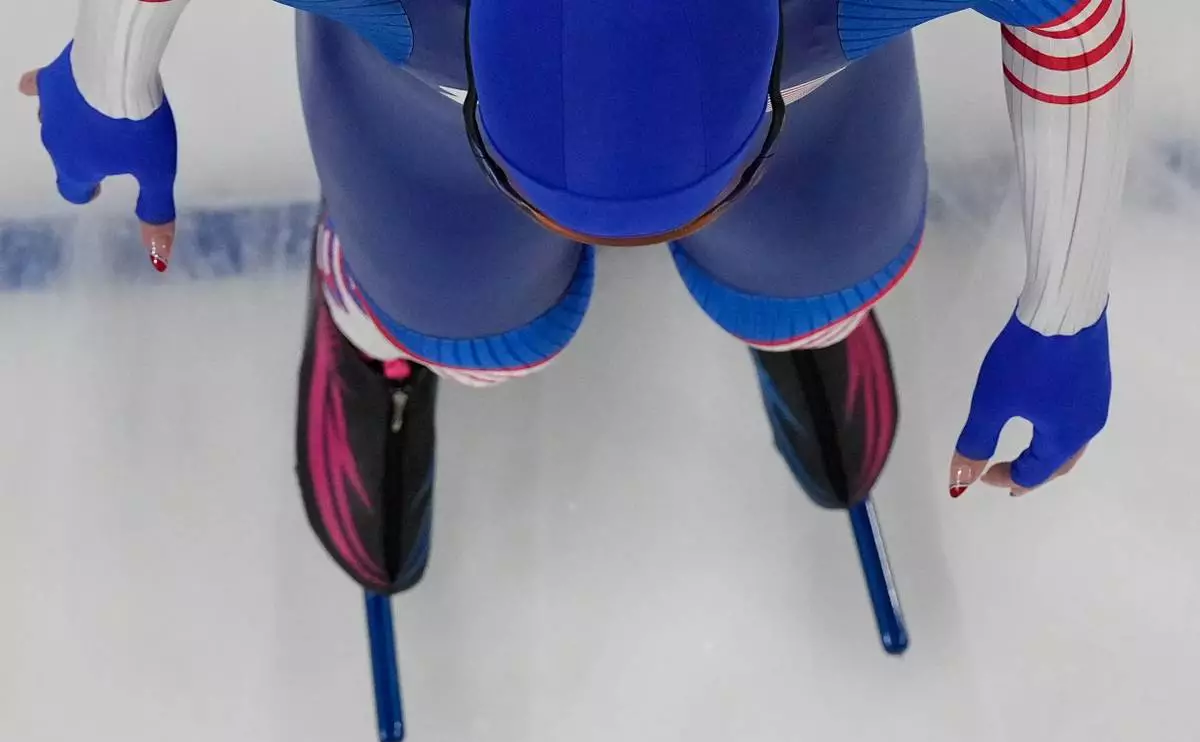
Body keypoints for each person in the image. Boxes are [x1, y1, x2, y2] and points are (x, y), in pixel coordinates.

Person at [20, 0, 1132, 595]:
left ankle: (798, 293)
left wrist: (110, 89)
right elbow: (1071, 25)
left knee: (809, 265)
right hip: (762, 68)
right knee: (469, 315)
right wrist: (1061, 312)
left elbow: (1076, 17)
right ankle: (376, 304)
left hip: (465, 70)